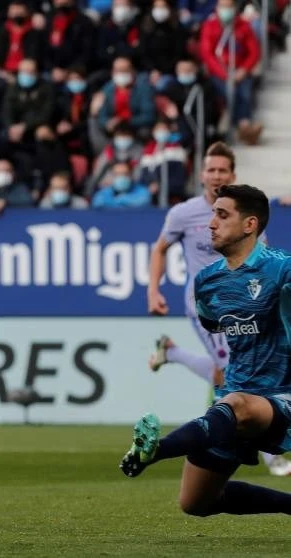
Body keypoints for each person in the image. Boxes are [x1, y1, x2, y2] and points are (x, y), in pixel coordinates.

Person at [120, 184, 291, 516]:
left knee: (238, 405)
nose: (211, 224)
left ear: (250, 224)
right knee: (196, 502)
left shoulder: (282, 268)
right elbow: (214, 325)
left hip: (281, 396)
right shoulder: (207, 283)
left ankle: (156, 450)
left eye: (222, 215)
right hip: (238, 392)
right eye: (213, 214)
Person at [146, 142, 291, 476]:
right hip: (208, 304)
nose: (216, 175)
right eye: (211, 170)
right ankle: (268, 452)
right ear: (201, 175)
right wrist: (153, 290)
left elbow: (262, 264)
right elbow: (160, 249)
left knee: (227, 370)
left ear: (232, 175)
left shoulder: (244, 216)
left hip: (246, 305)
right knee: (229, 369)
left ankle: (172, 353)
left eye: (222, 170)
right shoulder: (183, 213)